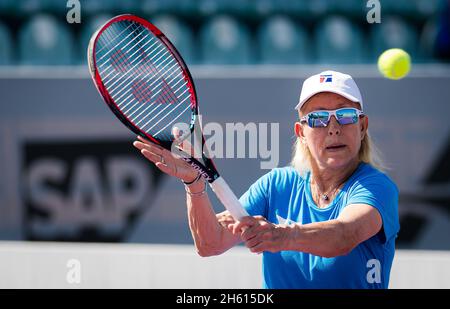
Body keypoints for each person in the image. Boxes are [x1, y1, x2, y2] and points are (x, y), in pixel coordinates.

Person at [133, 70, 400, 289]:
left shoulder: (377, 187)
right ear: (301, 133)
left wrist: (281, 235)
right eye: (317, 118)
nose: (333, 128)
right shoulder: (276, 184)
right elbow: (210, 243)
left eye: (344, 115)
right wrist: (194, 184)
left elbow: (344, 235)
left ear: (362, 126)